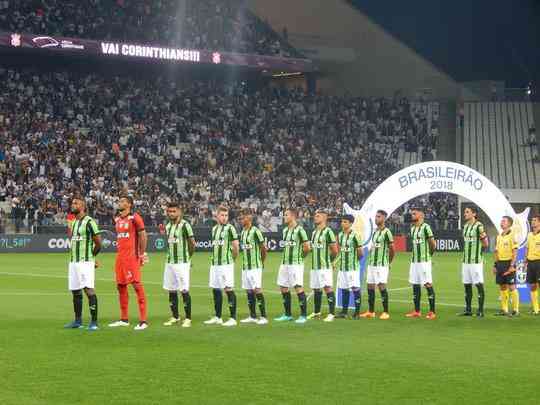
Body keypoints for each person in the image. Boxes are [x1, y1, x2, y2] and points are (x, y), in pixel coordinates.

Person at [108, 195, 149, 330]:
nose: (119, 203)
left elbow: (143, 236)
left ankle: (143, 321)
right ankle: (124, 319)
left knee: (137, 286)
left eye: (123, 201)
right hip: (120, 258)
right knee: (120, 286)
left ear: (129, 204)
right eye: (119, 201)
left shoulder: (135, 218)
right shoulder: (117, 219)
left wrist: (142, 254)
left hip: (132, 257)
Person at [63, 196, 102, 331]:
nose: (73, 204)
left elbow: (98, 243)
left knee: (88, 290)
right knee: (75, 291)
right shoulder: (73, 223)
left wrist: (91, 258)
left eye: (76, 203)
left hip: (85, 262)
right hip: (73, 262)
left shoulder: (90, 221)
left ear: (83, 206)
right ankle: (78, 320)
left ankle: (94, 321)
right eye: (72, 202)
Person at [160, 202, 195, 328]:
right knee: (171, 290)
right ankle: (175, 316)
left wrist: (187, 258)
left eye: (174, 211)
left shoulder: (185, 225)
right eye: (169, 211)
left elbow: (192, 243)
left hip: (182, 262)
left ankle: (188, 318)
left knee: (184, 290)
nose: (171, 214)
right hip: (169, 262)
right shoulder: (168, 226)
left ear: (179, 212)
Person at [204, 206, 239, 327]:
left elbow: (236, 247)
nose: (224, 218)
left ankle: (233, 318)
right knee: (215, 289)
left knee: (228, 289)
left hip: (226, 264)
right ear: (217, 216)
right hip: (215, 264)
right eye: (222, 215)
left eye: (226, 215)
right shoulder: (214, 229)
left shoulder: (230, 229)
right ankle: (218, 317)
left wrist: (231, 260)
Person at [274, 208, 311, 324]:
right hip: (285, 263)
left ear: (293, 216)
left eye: (286, 215)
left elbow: (307, 248)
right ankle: (287, 314)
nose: (284, 217)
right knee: (283, 287)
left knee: (298, 287)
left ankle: (303, 315)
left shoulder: (300, 230)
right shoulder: (285, 231)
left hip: (296, 264)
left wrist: (300, 257)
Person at [360, 210, 394, 320]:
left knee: (381, 286)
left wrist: (389, 262)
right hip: (372, 264)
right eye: (376, 216)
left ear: (384, 218)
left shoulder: (387, 232)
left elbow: (392, 249)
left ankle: (386, 312)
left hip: (381, 264)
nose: (376, 218)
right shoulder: (375, 232)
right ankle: (371, 311)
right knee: (370, 286)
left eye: (378, 217)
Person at [238, 208, 268, 325]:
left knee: (257, 290)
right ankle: (252, 316)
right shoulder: (243, 232)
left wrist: (261, 262)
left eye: (243, 218)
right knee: (249, 291)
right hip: (245, 267)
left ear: (249, 218)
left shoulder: (255, 231)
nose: (241, 220)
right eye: (240, 218)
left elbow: (263, 248)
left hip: (255, 266)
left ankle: (264, 316)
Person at [307, 209, 339, 322]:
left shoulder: (328, 231)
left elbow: (335, 250)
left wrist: (329, 262)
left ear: (325, 217)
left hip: (324, 267)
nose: (315, 217)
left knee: (327, 288)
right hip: (314, 266)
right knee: (316, 289)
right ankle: (316, 312)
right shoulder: (314, 232)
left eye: (318, 215)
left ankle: (331, 314)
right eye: (315, 215)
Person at [406, 207, 437, 320]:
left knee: (427, 284)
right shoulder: (413, 228)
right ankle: (417, 311)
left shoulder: (426, 227)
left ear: (421, 215)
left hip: (424, 261)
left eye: (414, 214)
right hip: (414, 261)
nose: (412, 215)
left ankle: (432, 311)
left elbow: (432, 244)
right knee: (415, 284)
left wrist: (429, 256)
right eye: (412, 213)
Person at [458, 207, 488, 317]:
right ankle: (468, 309)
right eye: (465, 212)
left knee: (478, 284)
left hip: (475, 261)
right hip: (465, 260)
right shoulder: (465, 226)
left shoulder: (479, 226)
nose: (464, 214)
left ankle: (480, 310)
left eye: (467, 212)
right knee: (467, 285)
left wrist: (481, 244)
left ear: (474, 214)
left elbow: (486, 244)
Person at [335, 214, 363, 319]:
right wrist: (336, 263)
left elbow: (360, 252)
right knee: (344, 289)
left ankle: (357, 312)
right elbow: (340, 251)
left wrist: (355, 262)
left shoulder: (355, 235)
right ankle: (344, 311)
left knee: (355, 288)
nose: (343, 223)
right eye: (342, 221)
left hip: (352, 268)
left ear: (351, 223)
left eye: (345, 222)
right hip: (342, 268)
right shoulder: (340, 235)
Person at [493, 216, 519, 316]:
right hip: (500, 264)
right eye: (501, 221)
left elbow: (515, 251)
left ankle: (516, 310)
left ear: (509, 224)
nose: (501, 222)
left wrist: (512, 265)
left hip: (509, 263)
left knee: (512, 286)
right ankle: (504, 309)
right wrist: (495, 265)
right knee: (502, 286)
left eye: (504, 221)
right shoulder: (499, 236)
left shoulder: (513, 235)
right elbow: (496, 252)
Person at [525, 214, 540, 315]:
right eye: (532, 220)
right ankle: (536, 309)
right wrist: (526, 260)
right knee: (533, 286)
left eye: (535, 220)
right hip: (530, 263)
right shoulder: (529, 235)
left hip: (539, 262)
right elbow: (527, 248)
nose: (533, 222)